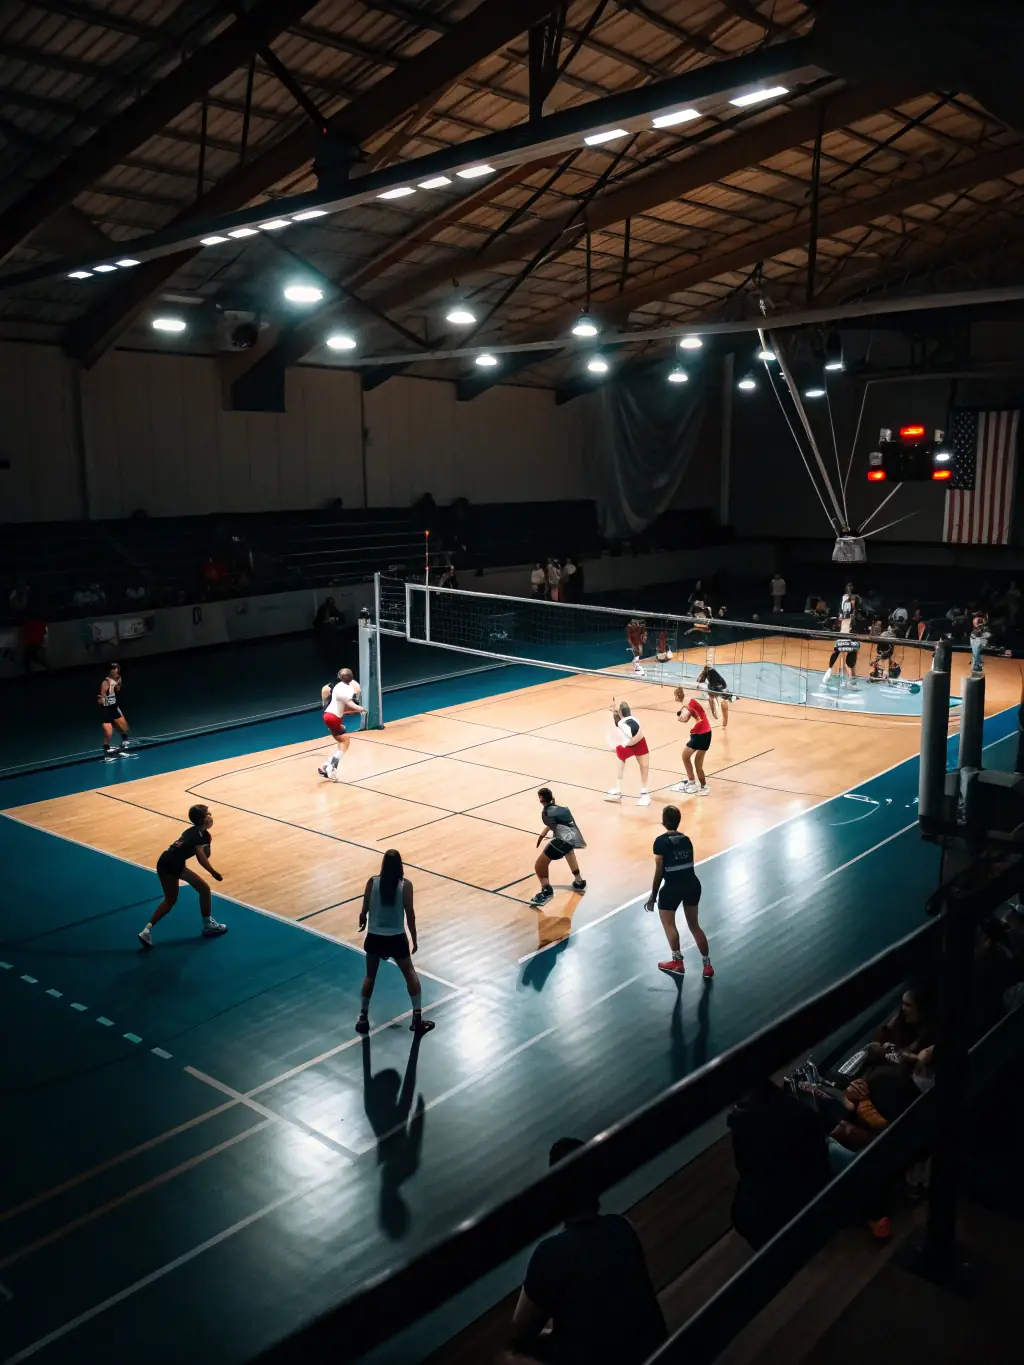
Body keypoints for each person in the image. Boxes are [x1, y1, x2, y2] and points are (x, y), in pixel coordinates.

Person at [505, 1138, 666, 1365]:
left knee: (511, 1355)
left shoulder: (550, 1254)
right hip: (656, 1354)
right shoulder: (622, 1227)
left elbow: (519, 1332)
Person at [355, 849, 435, 1037]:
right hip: (396, 938)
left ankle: (363, 1018)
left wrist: (363, 919)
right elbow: (410, 914)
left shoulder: (372, 882)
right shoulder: (405, 886)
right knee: (410, 974)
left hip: (374, 937)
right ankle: (417, 1019)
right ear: (400, 866)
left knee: (370, 977)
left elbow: (364, 909)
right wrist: (414, 938)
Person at [138, 804, 227, 948]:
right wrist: (213, 872)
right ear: (201, 819)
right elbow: (201, 858)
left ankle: (146, 930)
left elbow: (204, 853)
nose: (210, 816)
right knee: (203, 890)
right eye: (207, 814)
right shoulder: (198, 836)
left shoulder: (196, 833)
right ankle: (208, 925)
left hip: (165, 862)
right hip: (174, 865)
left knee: (172, 899)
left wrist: (207, 843)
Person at [645, 805, 712, 978]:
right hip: (692, 885)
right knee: (694, 925)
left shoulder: (660, 842)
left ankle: (677, 962)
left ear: (663, 821)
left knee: (669, 924)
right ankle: (707, 965)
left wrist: (653, 896)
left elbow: (659, 870)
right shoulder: (687, 840)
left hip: (672, 888)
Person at [532, 787, 586, 907]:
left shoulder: (545, 813)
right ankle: (579, 881)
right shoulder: (562, 809)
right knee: (569, 853)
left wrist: (542, 836)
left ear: (541, 798)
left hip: (562, 840)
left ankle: (546, 891)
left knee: (539, 865)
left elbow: (550, 824)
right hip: (574, 837)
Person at [318, 667, 367, 781]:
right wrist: (359, 708)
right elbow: (349, 703)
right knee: (345, 741)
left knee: (342, 739)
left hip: (328, 715)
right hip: (334, 718)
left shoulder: (336, 687)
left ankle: (326, 765)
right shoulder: (349, 689)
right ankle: (331, 768)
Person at [605, 699, 651, 806]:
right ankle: (618, 789)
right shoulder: (627, 722)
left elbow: (631, 730)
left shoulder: (626, 723)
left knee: (644, 766)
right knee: (621, 760)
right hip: (631, 744)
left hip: (638, 743)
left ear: (621, 714)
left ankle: (644, 793)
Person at [672, 686, 711, 795]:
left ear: (678, 694)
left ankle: (693, 782)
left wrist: (679, 717)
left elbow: (684, 718)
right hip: (707, 732)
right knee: (697, 763)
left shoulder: (687, 703)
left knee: (685, 756)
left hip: (701, 733)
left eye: (675, 696)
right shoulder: (691, 701)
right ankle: (703, 786)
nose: (675, 699)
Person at [98, 662, 133, 761]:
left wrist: (118, 683)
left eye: (117, 669)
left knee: (124, 727)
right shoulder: (105, 682)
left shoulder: (117, 679)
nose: (116, 670)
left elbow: (117, 689)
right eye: (114, 669)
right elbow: (102, 695)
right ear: (110, 670)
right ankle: (107, 754)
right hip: (106, 708)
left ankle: (123, 747)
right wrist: (102, 701)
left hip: (114, 707)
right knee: (108, 732)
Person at [697, 663, 733, 728]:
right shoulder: (706, 672)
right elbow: (699, 680)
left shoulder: (712, 672)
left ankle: (718, 715)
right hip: (714, 687)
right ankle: (714, 712)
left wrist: (713, 694)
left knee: (718, 698)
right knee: (709, 691)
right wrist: (702, 674)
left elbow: (713, 684)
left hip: (720, 686)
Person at [970, 610, 991, 674]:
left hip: (978, 638)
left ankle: (978, 666)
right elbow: (977, 627)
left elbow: (985, 632)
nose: (987, 617)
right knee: (976, 653)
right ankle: (976, 667)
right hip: (975, 638)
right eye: (986, 616)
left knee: (979, 652)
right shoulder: (977, 620)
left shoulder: (982, 621)